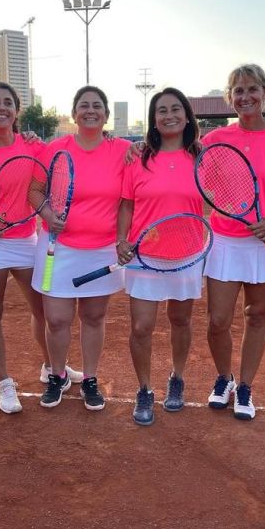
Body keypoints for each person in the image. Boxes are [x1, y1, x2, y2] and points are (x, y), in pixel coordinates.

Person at [0, 82, 81, 415]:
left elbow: (44, 182)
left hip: (27, 240)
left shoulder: (32, 147)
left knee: (42, 309)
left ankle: (52, 366)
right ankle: (4, 382)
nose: (1, 107)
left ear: (16, 110)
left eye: (7, 103)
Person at [202, 64, 265, 421]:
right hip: (225, 240)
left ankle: (245, 387)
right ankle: (224, 378)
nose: (246, 97)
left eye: (252, 89)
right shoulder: (214, 140)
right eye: (238, 90)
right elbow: (199, 180)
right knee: (218, 320)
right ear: (230, 98)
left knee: (257, 316)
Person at [31, 85, 131, 411]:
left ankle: (90, 378)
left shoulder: (123, 150)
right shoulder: (54, 148)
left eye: (97, 106)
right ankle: (58, 375)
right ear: (74, 113)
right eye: (84, 105)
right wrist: (47, 214)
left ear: (105, 114)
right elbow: (35, 191)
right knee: (57, 319)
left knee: (93, 316)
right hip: (57, 247)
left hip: (101, 248)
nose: (91, 111)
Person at [116, 88, 204, 426]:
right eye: (161, 110)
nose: (169, 115)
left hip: (187, 253)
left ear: (186, 115)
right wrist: (121, 239)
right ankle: (144, 389)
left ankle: (177, 378)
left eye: (176, 109)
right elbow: (126, 204)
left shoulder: (201, 156)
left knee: (180, 321)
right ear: (153, 119)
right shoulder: (138, 158)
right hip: (144, 254)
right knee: (141, 327)